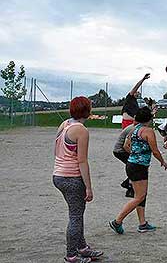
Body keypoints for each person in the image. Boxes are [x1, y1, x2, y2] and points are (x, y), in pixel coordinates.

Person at [53, 96, 103, 263]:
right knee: (75, 216)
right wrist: (88, 187)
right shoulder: (81, 130)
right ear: (87, 111)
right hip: (71, 177)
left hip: (58, 175)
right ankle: (71, 255)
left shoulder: (65, 124)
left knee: (77, 214)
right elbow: (82, 160)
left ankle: (82, 247)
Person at [110, 107, 167, 234]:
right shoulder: (148, 131)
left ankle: (142, 223)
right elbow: (155, 151)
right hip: (139, 166)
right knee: (139, 197)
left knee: (141, 195)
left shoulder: (134, 130)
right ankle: (117, 221)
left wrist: (135, 154)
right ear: (149, 119)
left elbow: (126, 146)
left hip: (131, 164)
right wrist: (162, 161)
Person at [113, 123, 136, 198]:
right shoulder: (133, 129)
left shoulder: (134, 127)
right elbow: (126, 146)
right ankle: (129, 187)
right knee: (134, 166)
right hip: (120, 151)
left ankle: (127, 183)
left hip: (120, 150)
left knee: (133, 166)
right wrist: (134, 154)